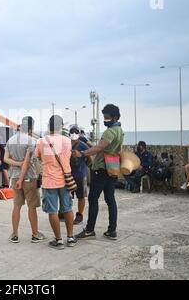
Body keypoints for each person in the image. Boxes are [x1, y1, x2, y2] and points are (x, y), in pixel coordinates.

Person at [75, 104, 124, 241]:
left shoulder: (110, 132)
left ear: (114, 117)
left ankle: (90, 230)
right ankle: (112, 230)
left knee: (93, 199)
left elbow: (99, 148)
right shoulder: (120, 131)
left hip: (101, 169)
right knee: (110, 199)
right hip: (112, 168)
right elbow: (116, 150)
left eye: (107, 117)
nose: (105, 119)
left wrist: (82, 153)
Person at [33, 115, 77, 250]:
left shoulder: (41, 141)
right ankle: (70, 237)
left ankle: (58, 240)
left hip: (49, 181)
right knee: (68, 208)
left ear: (48, 126)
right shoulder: (67, 141)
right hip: (65, 180)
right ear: (61, 126)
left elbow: (37, 157)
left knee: (52, 211)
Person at [5, 116, 46, 244]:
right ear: (30, 127)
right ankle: (35, 234)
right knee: (31, 207)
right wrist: (22, 163)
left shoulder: (10, 140)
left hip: (14, 176)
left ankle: (15, 234)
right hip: (29, 177)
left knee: (16, 206)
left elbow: (5, 159)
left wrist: (17, 164)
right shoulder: (31, 141)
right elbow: (29, 162)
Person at [69, 125, 90, 225]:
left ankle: (79, 215)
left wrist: (84, 166)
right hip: (69, 175)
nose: (73, 134)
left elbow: (90, 159)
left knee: (81, 196)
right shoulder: (66, 144)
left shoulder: (83, 145)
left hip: (82, 175)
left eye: (75, 132)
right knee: (68, 196)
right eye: (72, 132)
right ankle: (66, 214)